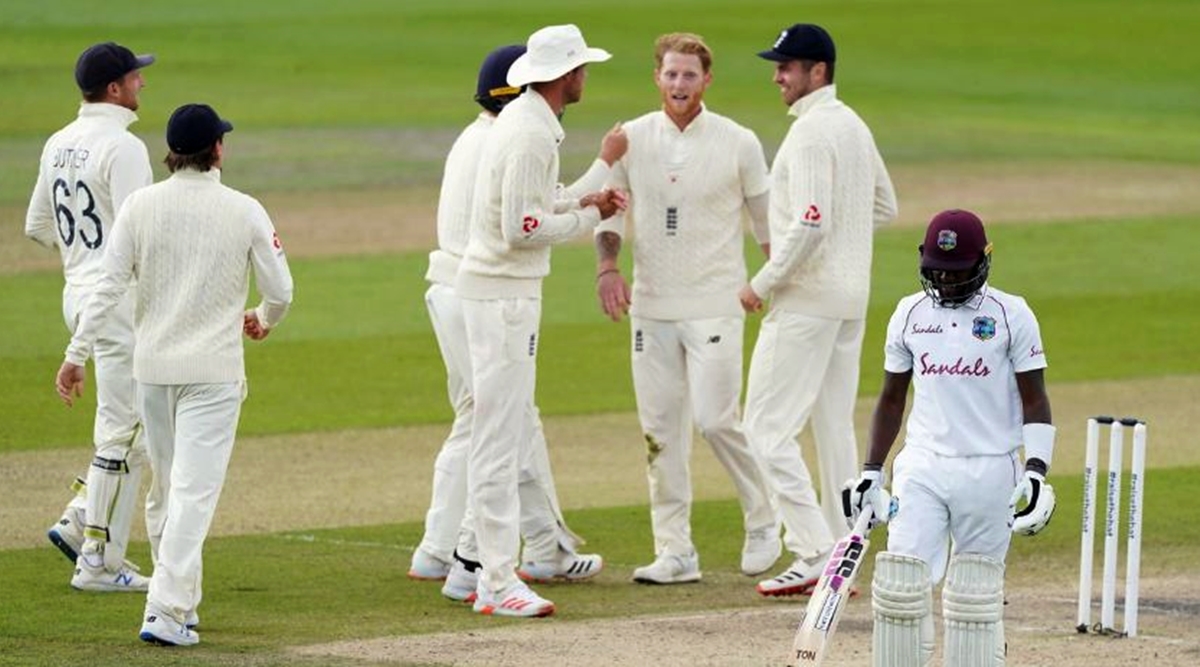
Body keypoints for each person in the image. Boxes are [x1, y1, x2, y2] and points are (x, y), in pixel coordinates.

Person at [55, 103, 294, 646]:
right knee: (190, 495)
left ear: (172, 153)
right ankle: (165, 608)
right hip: (212, 374)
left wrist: (75, 354)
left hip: (153, 373)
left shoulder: (140, 206)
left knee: (168, 493)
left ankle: (181, 606)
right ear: (216, 150)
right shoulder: (244, 208)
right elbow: (281, 289)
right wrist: (263, 318)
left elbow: (107, 287)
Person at [412, 43, 622, 594]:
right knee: (502, 425)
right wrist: (592, 206)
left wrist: (592, 192)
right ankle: (471, 560)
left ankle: (457, 550)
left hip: (459, 290)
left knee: (490, 422)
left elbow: (545, 199)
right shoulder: (514, 137)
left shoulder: (481, 136)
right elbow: (527, 221)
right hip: (479, 293)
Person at [593, 32, 779, 585]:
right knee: (659, 431)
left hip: (716, 302)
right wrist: (607, 269)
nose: (679, 85)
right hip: (652, 305)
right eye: (671, 74)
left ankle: (764, 520)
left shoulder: (739, 141)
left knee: (717, 420)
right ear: (657, 77)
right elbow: (608, 212)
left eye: (689, 75)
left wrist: (773, 283)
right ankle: (674, 551)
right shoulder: (630, 139)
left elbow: (768, 224)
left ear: (707, 80)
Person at [842, 208, 1057, 666]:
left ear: (983, 262)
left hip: (991, 468)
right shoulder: (908, 314)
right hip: (922, 466)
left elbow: (1035, 400)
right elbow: (891, 401)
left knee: (974, 597)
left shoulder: (1010, 314)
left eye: (958, 273)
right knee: (902, 584)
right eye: (937, 272)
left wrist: (1037, 472)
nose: (947, 282)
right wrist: (870, 473)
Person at [739, 23, 899, 597]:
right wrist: (844, 247)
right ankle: (844, 551)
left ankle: (812, 550)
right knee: (832, 426)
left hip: (806, 300)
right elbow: (883, 204)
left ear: (818, 72)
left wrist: (761, 282)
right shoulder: (851, 124)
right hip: (848, 299)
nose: (778, 76)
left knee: (763, 428)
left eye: (787, 66)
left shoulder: (810, 135)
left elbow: (810, 220)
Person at [25, 41, 163, 592]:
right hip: (116, 302)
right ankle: (97, 555)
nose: (142, 85)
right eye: (135, 77)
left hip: (78, 295)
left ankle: (84, 521)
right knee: (128, 428)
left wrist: (81, 260)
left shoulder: (59, 141)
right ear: (114, 88)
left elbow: (38, 225)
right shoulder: (124, 147)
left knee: (133, 425)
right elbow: (143, 237)